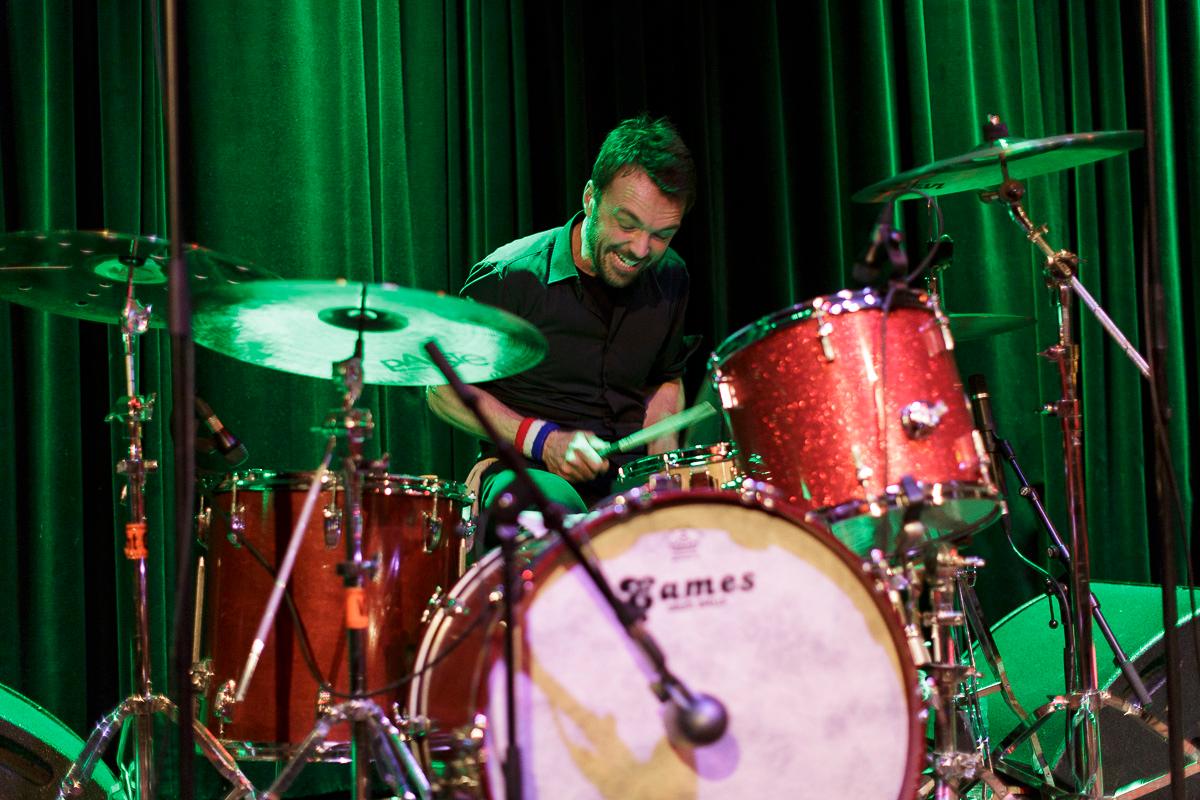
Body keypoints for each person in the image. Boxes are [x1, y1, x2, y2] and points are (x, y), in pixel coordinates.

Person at [427, 113, 697, 520]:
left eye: (661, 235)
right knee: (548, 504)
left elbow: (665, 378)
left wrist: (663, 464)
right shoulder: (511, 276)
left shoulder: (672, 276)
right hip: (530, 472)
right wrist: (542, 441)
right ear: (590, 198)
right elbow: (440, 387)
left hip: (626, 481)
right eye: (627, 224)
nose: (641, 249)